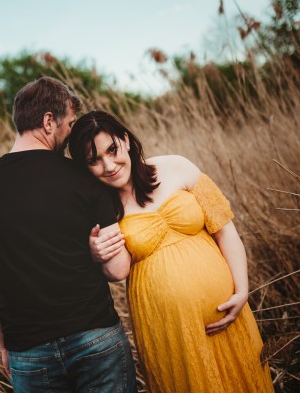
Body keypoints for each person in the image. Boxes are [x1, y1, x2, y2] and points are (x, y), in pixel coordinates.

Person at [68, 110, 274, 393]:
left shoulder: (176, 167)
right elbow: (117, 271)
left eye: (112, 150)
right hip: (169, 327)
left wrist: (242, 291)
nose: (108, 165)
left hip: (228, 310)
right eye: (94, 161)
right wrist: (96, 253)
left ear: (125, 140)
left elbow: (225, 230)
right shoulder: (103, 208)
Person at [0, 78, 136, 393]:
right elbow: (119, 269)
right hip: (96, 338)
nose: (71, 133)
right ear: (48, 122)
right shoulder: (82, 176)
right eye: (70, 123)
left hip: (28, 353)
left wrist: (4, 345)